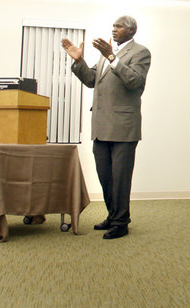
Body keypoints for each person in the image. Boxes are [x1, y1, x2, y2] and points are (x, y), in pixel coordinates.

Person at [61, 15, 151, 239]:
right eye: (113, 26)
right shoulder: (108, 54)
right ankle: (113, 216)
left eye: (119, 26)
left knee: (120, 177)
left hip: (123, 127)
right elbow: (92, 80)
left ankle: (121, 222)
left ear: (131, 31)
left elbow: (135, 82)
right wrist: (79, 61)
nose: (114, 30)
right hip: (101, 127)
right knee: (105, 176)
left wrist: (111, 57)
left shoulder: (139, 53)